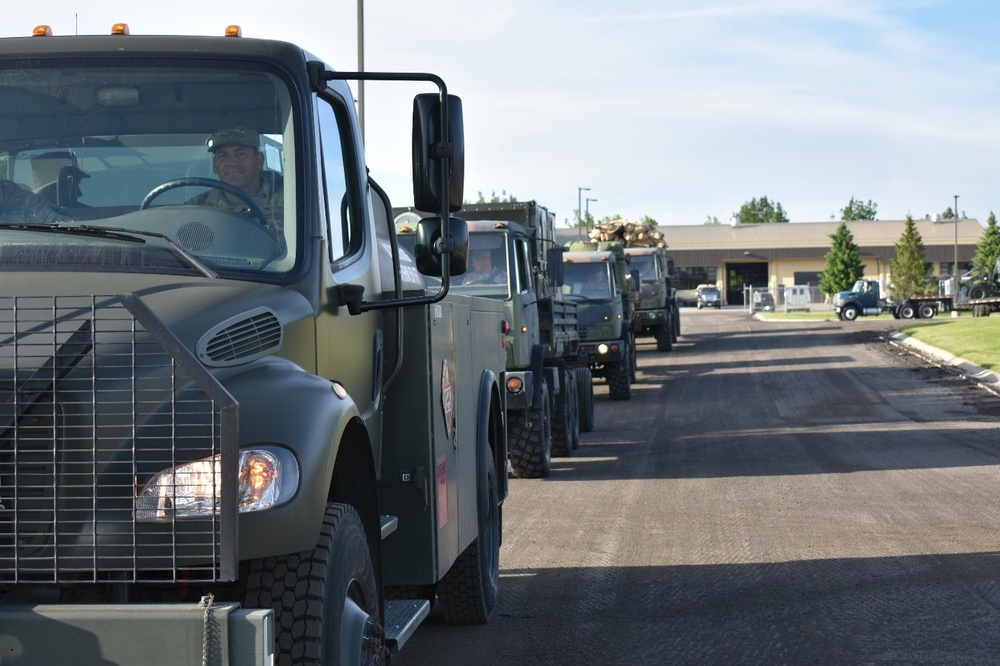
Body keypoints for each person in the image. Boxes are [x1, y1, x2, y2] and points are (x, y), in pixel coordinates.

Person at [187, 127, 284, 243]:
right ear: (215, 165)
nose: (231, 162)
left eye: (240, 154)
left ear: (259, 160)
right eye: (223, 155)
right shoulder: (198, 207)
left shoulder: (289, 197)